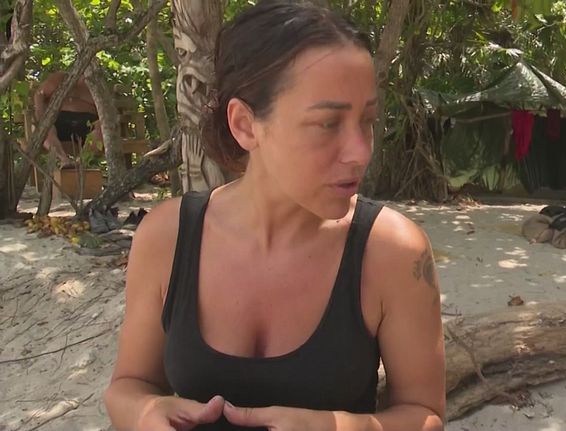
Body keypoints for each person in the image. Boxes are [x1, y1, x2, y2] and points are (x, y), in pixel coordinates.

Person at [103, 1, 446, 430]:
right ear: (245, 125)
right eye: (328, 124)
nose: (360, 153)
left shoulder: (392, 252)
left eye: (368, 120)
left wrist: (335, 427)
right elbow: (128, 385)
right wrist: (144, 413)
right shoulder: (167, 237)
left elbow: (426, 415)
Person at [33, 71, 103, 166]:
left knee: (102, 126)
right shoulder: (59, 78)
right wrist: (41, 115)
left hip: (87, 124)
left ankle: (81, 162)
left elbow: (106, 110)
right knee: (45, 126)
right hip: (57, 121)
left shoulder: (96, 85)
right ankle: (63, 159)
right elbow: (39, 94)